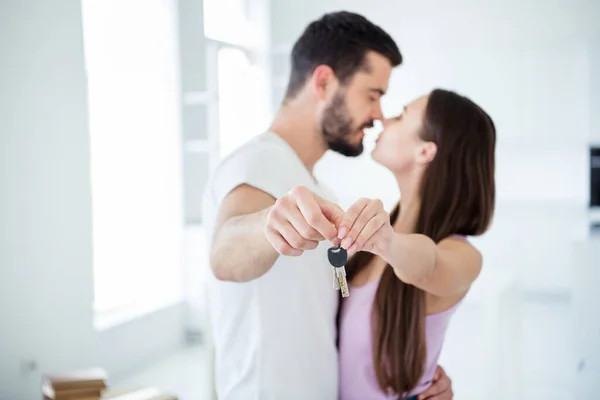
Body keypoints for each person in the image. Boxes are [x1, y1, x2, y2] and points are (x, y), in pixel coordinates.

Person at [202, 11, 454, 400]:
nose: (378, 115)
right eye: (373, 94)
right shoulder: (257, 163)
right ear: (323, 81)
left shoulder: (320, 189)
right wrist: (269, 224)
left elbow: (334, 308)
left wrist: (418, 374)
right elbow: (224, 253)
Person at [335, 89, 496, 400]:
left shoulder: (463, 255)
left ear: (425, 152)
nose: (383, 117)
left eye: (401, 115)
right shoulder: (368, 248)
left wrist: (388, 242)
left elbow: (428, 265)